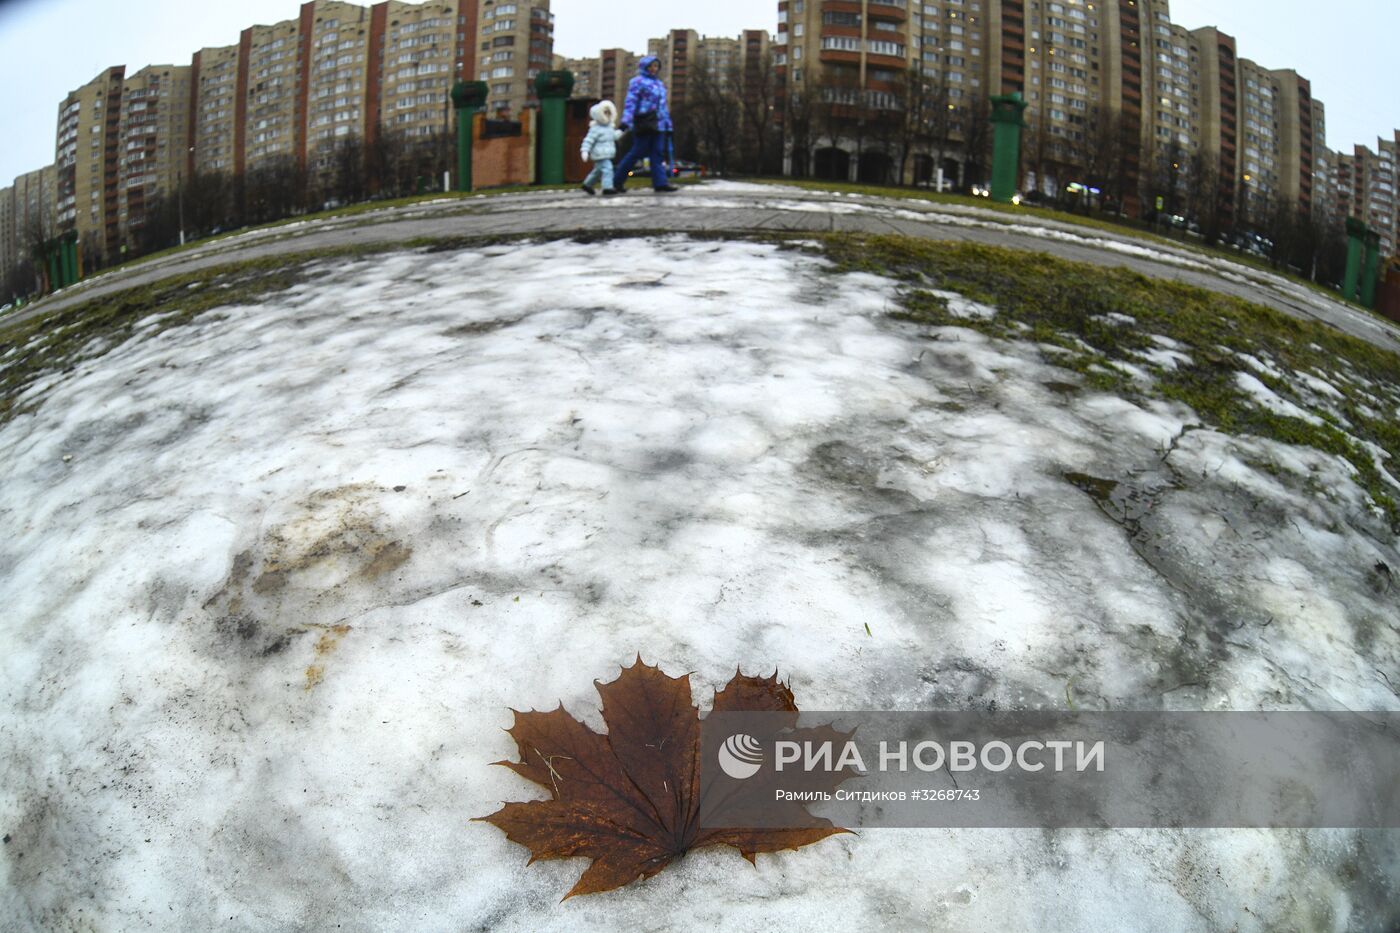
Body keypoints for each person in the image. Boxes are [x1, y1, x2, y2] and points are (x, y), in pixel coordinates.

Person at [613, 56, 680, 194]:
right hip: (644, 121)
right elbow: (631, 102)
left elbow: (663, 106)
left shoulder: (660, 85)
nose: (653, 69)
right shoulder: (637, 82)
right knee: (637, 152)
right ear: (644, 67)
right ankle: (617, 181)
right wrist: (626, 121)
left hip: (659, 124)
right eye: (650, 66)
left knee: (658, 153)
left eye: (656, 66)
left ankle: (660, 183)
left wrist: (669, 125)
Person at [579, 101, 623, 196]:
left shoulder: (609, 128)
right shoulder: (595, 129)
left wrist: (621, 130)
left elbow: (614, 136)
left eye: (608, 113)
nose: (607, 115)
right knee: (608, 169)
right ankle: (607, 187)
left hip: (607, 154)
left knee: (597, 171)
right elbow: (588, 140)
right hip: (600, 154)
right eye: (605, 113)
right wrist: (585, 150)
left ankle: (587, 184)